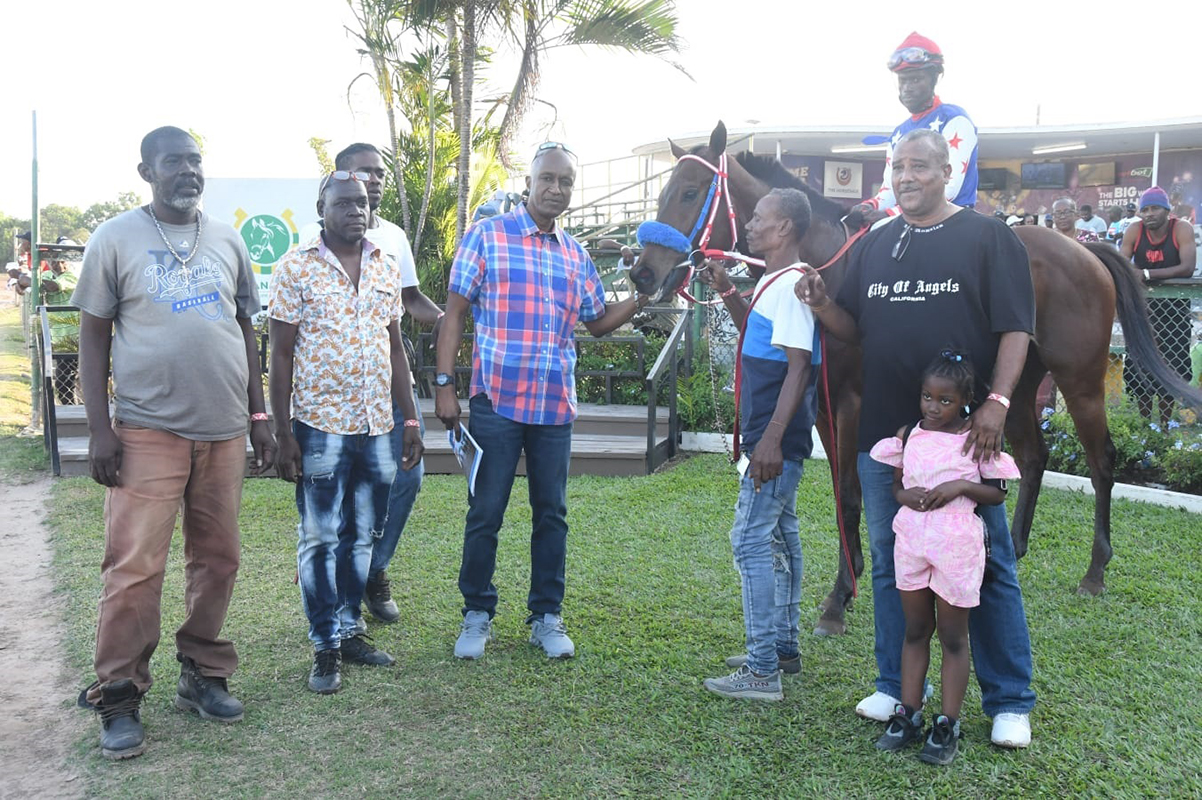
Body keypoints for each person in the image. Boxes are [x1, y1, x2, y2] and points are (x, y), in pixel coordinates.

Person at [795, 128, 1038, 749]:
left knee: (985, 565)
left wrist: (998, 404)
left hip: (963, 440)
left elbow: (1016, 328)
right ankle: (893, 684)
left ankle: (1009, 698)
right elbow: (852, 327)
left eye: (920, 166)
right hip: (887, 437)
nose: (906, 176)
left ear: (948, 169)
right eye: (898, 166)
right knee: (892, 560)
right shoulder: (879, 242)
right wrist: (823, 303)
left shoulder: (988, 236)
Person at [72, 126, 275, 759]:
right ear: (146, 171)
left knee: (218, 558)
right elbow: (94, 337)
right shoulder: (114, 238)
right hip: (146, 429)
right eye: (173, 163)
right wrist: (100, 427)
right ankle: (120, 695)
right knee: (135, 568)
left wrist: (260, 413)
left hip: (223, 430)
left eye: (195, 161)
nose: (188, 172)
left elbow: (246, 328)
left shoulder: (226, 237)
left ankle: (202, 672)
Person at [435, 142, 649, 660]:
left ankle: (546, 617)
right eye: (548, 179)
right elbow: (455, 313)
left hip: (554, 406)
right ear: (529, 183)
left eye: (566, 182)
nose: (556, 189)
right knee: (486, 510)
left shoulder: (575, 256)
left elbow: (597, 323)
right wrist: (444, 385)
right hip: (497, 402)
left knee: (551, 513)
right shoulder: (487, 236)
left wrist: (644, 295)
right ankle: (477, 613)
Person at [270, 171, 424, 694]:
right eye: (344, 203)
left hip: (377, 426)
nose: (356, 211)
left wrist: (408, 418)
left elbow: (395, 348)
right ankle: (324, 645)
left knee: (362, 535)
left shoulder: (385, 265)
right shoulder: (295, 268)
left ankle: (351, 628)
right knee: (319, 536)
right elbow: (281, 353)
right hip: (319, 427)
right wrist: (284, 432)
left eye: (362, 203)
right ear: (322, 206)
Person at [299, 142, 443, 628]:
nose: (375, 181)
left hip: (385, 394)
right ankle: (338, 604)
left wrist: (449, 320)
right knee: (332, 512)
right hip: (328, 408)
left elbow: (406, 304)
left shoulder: (393, 240)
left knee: (408, 478)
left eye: (379, 174)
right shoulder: (309, 244)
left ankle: (373, 572)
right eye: (364, 173)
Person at [696, 188, 819, 702]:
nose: (749, 226)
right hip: (778, 441)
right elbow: (756, 337)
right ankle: (782, 649)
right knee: (780, 538)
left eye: (760, 219)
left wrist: (768, 442)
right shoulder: (775, 281)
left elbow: (799, 366)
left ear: (785, 227)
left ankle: (763, 668)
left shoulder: (792, 285)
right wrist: (727, 290)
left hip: (775, 443)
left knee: (750, 542)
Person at [869, 351, 1020, 765]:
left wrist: (958, 486)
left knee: (954, 637)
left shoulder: (977, 439)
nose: (933, 408)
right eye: (927, 397)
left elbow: (997, 491)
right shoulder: (908, 434)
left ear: (965, 401)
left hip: (956, 547)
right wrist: (906, 497)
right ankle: (908, 713)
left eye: (945, 401)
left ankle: (947, 723)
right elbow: (897, 486)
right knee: (916, 630)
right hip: (912, 543)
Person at [850, 32, 978, 227]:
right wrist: (871, 206)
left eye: (915, 80)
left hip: (954, 221)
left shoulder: (955, 119)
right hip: (910, 218)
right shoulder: (899, 133)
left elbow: (948, 188)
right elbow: (891, 189)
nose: (907, 88)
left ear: (934, 79)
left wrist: (889, 214)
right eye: (903, 81)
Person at [1120, 186, 1197, 425]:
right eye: (1145, 209)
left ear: (1167, 210)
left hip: (1174, 310)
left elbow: (1187, 267)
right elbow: (1121, 264)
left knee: (1173, 365)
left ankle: (1163, 426)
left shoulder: (1181, 228)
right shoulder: (1134, 230)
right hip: (1142, 311)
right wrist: (1136, 273)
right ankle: (1145, 427)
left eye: (1155, 208)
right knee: (1138, 365)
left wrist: (1146, 273)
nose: (1149, 213)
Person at [38, 239, 82, 404]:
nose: (55, 264)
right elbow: (26, 287)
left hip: (73, 334)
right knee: (65, 377)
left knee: (66, 377)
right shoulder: (46, 275)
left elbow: (54, 287)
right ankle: (71, 405)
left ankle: (73, 407)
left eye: (59, 260)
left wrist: (33, 282)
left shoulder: (71, 277)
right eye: (52, 259)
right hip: (58, 335)